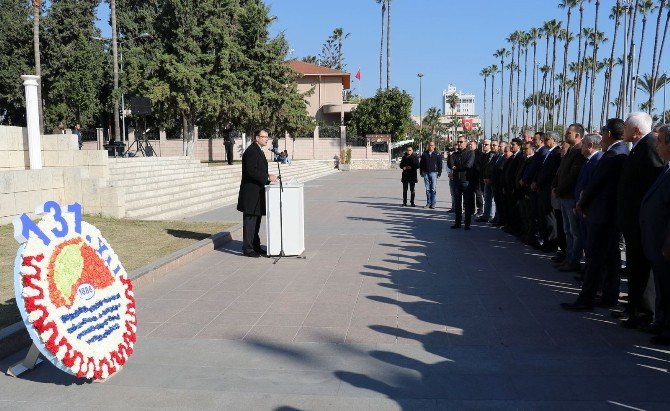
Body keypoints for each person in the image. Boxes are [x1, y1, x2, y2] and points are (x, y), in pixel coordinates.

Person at [562, 118, 629, 311]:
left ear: (608, 134)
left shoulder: (614, 154)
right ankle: (609, 297)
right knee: (610, 258)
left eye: (604, 130)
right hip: (606, 215)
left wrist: (583, 203)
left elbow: (596, 184)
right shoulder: (619, 152)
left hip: (602, 215)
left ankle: (587, 298)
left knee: (595, 258)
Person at [617, 112, 665, 329]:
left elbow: (655, 187)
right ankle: (634, 308)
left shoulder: (649, 146)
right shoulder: (638, 147)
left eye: (626, 127)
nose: (622, 130)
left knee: (642, 267)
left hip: (641, 221)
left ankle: (644, 313)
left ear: (636, 130)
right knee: (635, 266)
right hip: (633, 220)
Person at [639, 124, 670, 345]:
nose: (656, 145)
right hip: (656, 240)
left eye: (659, 141)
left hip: (665, 242)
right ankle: (661, 322)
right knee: (661, 284)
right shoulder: (667, 168)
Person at [237, 129, 280, 258]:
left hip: (258, 193)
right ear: (257, 137)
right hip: (251, 194)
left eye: (267, 137)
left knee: (256, 222)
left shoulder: (258, 150)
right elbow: (251, 172)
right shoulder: (251, 151)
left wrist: (269, 177)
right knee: (250, 222)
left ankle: (255, 245)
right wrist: (268, 177)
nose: (267, 139)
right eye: (264, 137)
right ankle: (248, 249)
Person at [552, 124, 586, 272]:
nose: (566, 134)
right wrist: (555, 186)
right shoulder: (570, 150)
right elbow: (561, 172)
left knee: (574, 232)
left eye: (569, 133)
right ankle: (568, 258)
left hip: (570, 196)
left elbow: (573, 177)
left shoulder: (579, 151)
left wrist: (559, 190)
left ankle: (574, 261)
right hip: (564, 196)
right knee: (567, 230)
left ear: (577, 135)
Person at [572, 133, 604, 282]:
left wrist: (583, 205)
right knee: (586, 243)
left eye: (583, 143)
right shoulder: (589, 160)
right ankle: (587, 274)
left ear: (590, 145)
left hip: (588, 211)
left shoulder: (598, 160)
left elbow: (592, 187)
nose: (581, 147)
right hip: (581, 207)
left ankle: (592, 278)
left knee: (591, 246)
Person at [532, 131, 562, 252]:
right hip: (542, 189)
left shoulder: (556, 153)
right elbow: (541, 171)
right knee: (543, 216)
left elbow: (550, 173)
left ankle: (552, 243)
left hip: (547, 188)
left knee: (549, 218)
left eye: (547, 139)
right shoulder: (549, 153)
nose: (544, 142)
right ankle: (546, 241)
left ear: (554, 140)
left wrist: (539, 183)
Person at [450, 137, 476, 229]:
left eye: (461, 142)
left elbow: (468, 165)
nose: (459, 143)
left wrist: (457, 168)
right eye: (458, 141)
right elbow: (451, 164)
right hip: (456, 181)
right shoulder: (454, 154)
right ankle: (457, 223)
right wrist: (456, 167)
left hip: (466, 181)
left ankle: (467, 224)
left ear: (465, 143)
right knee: (457, 203)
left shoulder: (470, 152)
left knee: (467, 203)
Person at [502, 138, 524, 235]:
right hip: (508, 187)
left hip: (515, 188)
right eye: (511, 144)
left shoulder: (520, 156)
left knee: (515, 209)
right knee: (510, 208)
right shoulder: (512, 157)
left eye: (513, 144)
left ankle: (516, 228)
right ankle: (510, 226)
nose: (511, 146)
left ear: (519, 146)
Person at [478, 139, 497, 223]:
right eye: (483, 144)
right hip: (486, 181)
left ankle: (494, 216)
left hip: (494, 181)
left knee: (495, 200)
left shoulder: (499, 155)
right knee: (487, 199)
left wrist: (492, 179)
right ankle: (486, 216)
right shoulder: (487, 155)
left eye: (494, 145)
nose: (484, 146)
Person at [419, 141, 442, 209]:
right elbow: (421, 164)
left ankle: (433, 204)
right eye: (429, 145)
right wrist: (421, 172)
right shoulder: (424, 154)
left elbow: (440, 164)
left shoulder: (437, 154)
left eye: (432, 145)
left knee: (433, 189)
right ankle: (428, 203)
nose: (430, 146)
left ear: (434, 146)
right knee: (427, 189)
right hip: (426, 173)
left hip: (434, 173)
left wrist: (439, 173)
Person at [469, 141, 484, 217]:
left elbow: (481, 166)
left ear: (476, 145)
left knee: (478, 194)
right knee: (470, 194)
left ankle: (480, 210)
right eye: (469, 145)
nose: (470, 146)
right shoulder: (469, 153)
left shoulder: (479, 154)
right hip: (470, 177)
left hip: (477, 177)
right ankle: (471, 210)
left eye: (471, 144)